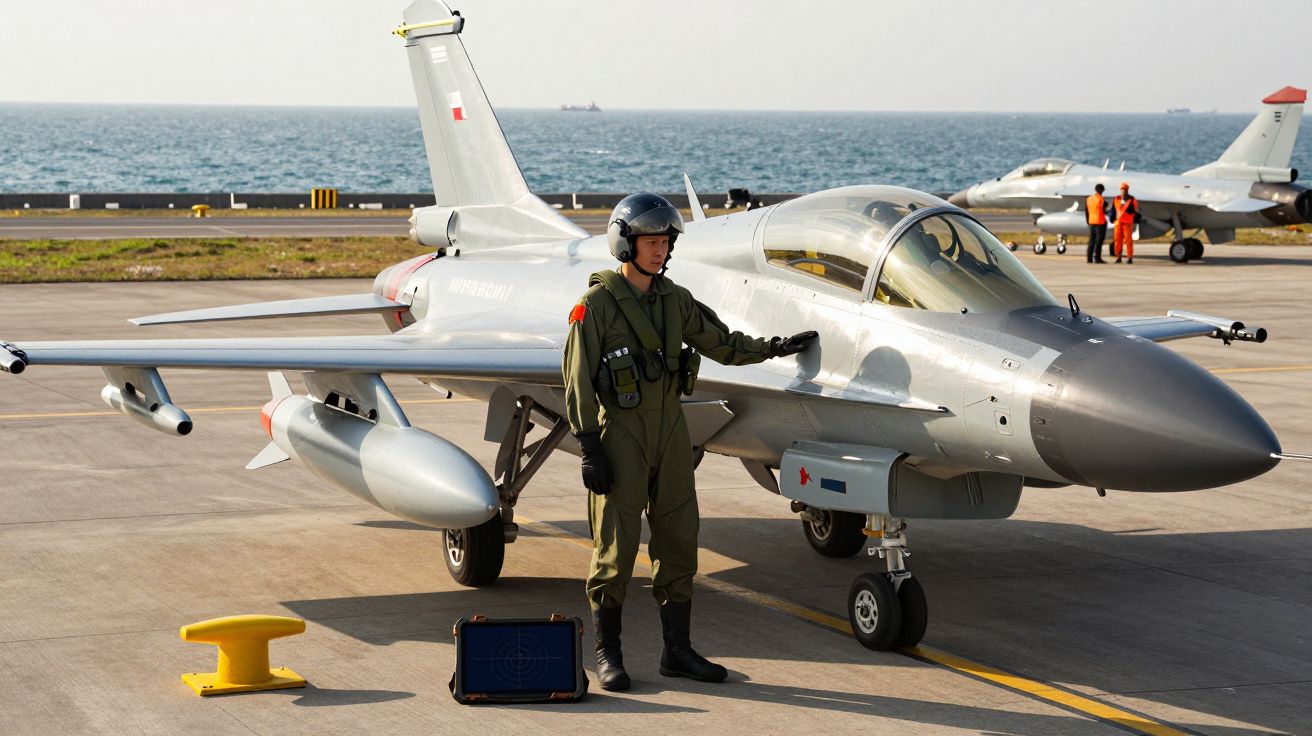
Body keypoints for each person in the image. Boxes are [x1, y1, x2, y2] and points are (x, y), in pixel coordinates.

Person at [562, 192, 817, 691]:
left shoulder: (674, 300)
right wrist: (590, 446)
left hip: (672, 435)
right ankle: (607, 654)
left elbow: (719, 342)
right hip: (622, 436)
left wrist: (772, 348)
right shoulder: (594, 306)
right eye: (650, 242)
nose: (659, 251)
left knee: (679, 541)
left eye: (664, 242)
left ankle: (677, 651)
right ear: (625, 243)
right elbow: (577, 380)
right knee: (614, 549)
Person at [1112, 182, 1140, 264]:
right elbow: (1113, 210)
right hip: (1118, 223)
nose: (1123, 191)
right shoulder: (1116, 199)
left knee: (1128, 241)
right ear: (1120, 190)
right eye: (1122, 189)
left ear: (1127, 190)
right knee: (1117, 241)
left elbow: (1134, 211)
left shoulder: (1132, 200)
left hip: (1127, 223)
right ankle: (1118, 257)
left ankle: (1130, 257)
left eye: (1125, 189)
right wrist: (1112, 219)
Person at [1085, 184, 1109, 263]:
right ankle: (1097, 258)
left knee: (1091, 240)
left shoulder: (1089, 199)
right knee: (1099, 241)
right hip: (1100, 222)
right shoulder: (1101, 199)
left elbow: (1086, 211)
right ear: (1102, 190)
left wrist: (1088, 221)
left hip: (1092, 222)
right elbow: (1104, 209)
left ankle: (1089, 258)